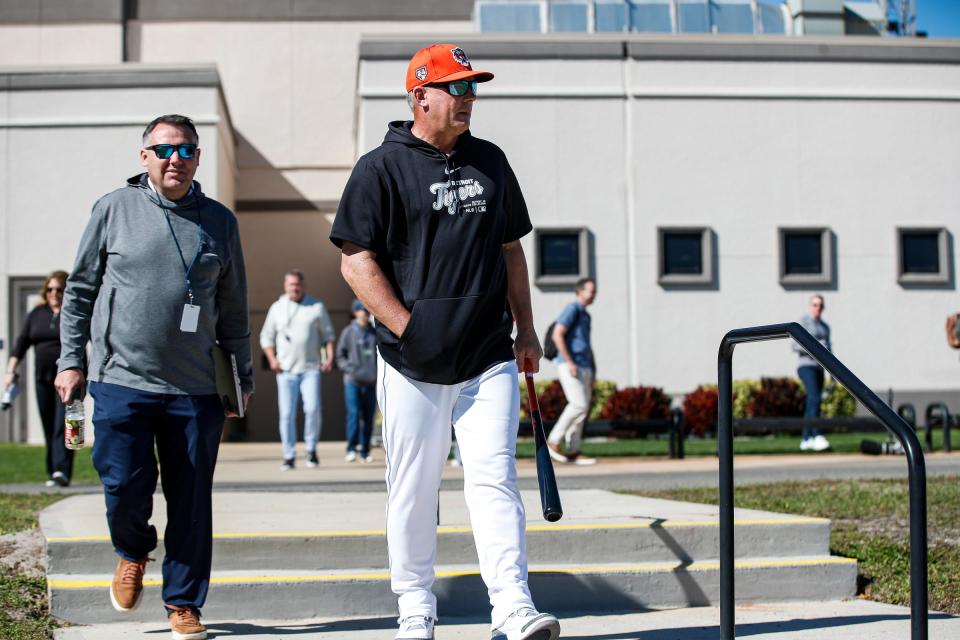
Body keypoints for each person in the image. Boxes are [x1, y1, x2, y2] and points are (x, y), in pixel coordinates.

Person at [331, 43, 561, 640]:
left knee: (495, 480)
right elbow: (356, 263)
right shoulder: (380, 168)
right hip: (411, 363)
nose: (468, 99)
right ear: (420, 96)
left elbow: (511, 251)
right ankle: (415, 607)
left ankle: (512, 606)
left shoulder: (491, 161)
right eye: (456, 89)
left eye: (472, 88)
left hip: (488, 356)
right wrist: (411, 328)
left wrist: (528, 330)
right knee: (413, 488)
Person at [55, 114, 253, 640]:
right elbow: (78, 292)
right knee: (122, 484)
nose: (176, 159)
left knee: (191, 499)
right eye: (165, 150)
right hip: (120, 378)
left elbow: (234, 308)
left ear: (197, 158)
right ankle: (133, 550)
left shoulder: (220, 222)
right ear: (144, 156)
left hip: (194, 390)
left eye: (187, 150)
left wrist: (241, 377)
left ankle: (184, 603)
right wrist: (70, 360)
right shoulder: (113, 210)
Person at [4, 271, 75, 487]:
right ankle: (53, 470)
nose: (54, 293)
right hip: (42, 378)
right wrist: (10, 372)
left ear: (66, 291)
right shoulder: (36, 314)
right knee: (48, 424)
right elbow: (21, 343)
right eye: (50, 289)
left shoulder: (73, 313)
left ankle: (62, 471)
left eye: (59, 289)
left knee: (64, 425)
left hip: (68, 380)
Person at [260, 270, 335, 470]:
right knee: (286, 413)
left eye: (298, 284)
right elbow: (266, 338)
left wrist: (329, 357)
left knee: (312, 409)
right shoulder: (277, 308)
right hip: (285, 371)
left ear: (303, 285)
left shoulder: (316, 307)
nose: (295, 288)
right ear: (285, 286)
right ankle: (289, 455)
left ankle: (311, 450)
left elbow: (328, 335)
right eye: (291, 284)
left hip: (310, 368)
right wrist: (272, 360)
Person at [547, 278, 598, 466]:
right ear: (579, 291)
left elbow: (587, 345)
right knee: (578, 405)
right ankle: (553, 441)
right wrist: (569, 361)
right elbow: (557, 334)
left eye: (595, 291)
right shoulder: (572, 309)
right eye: (590, 291)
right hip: (570, 365)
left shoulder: (586, 315)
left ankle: (574, 449)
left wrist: (593, 370)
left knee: (582, 411)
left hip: (584, 366)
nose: (594, 295)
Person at [335, 299, 378, 463]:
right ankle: (351, 448)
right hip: (353, 382)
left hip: (370, 382)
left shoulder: (374, 333)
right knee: (353, 415)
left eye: (367, 310)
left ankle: (365, 451)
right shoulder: (348, 332)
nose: (365, 314)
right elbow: (340, 355)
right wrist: (350, 369)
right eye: (361, 310)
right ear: (355, 312)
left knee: (368, 418)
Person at [793, 294, 832, 452]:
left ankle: (806, 438)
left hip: (819, 367)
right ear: (810, 306)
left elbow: (829, 349)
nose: (818, 308)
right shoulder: (804, 323)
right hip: (806, 366)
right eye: (815, 304)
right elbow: (794, 346)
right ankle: (816, 434)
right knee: (815, 398)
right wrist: (814, 346)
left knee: (813, 401)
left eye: (820, 305)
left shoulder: (825, 327)